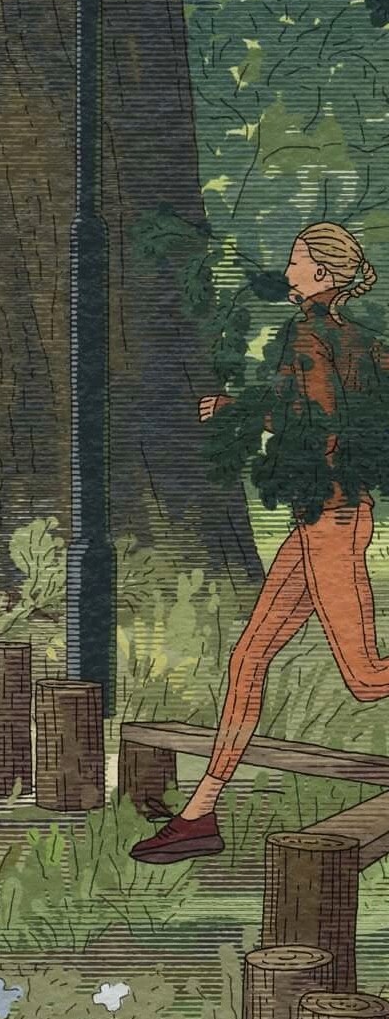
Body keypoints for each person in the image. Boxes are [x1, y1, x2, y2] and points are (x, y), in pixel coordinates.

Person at [134, 222, 389, 863]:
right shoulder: (358, 341)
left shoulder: (306, 336)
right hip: (320, 520)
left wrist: (242, 414)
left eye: (300, 257)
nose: (290, 264)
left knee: (364, 678)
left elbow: (322, 423)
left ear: (324, 277)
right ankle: (200, 815)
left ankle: (199, 815)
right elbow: (332, 411)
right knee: (247, 660)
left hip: (328, 519)